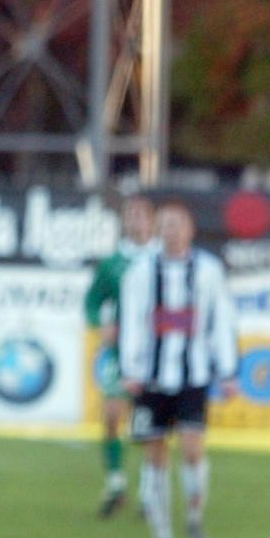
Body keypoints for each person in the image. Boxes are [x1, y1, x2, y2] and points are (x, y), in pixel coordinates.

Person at [117, 198, 239, 538]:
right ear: (157, 229)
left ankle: (193, 519)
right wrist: (130, 369)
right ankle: (162, 535)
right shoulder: (140, 272)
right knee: (154, 456)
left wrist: (227, 370)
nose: (170, 230)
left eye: (177, 224)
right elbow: (132, 322)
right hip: (151, 379)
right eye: (165, 224)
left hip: (193, 376)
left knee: (192, 449)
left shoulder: (207, 270)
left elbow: (221, 320)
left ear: (190, 230)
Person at [84, 193, 155, 517]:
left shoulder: (162, 259)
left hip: (157, 353)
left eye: (140, 214)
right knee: (112, 416)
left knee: (151, 424)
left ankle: (148, 490)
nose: (135, 220)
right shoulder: (113, 263)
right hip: (120, 353)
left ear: (151, 219)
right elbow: (92, 302)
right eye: (129, 215)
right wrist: (102, 323)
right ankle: (116, 484)